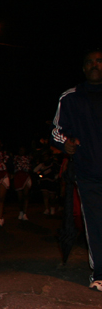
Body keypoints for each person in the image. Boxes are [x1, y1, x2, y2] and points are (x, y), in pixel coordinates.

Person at [52, 48, 102, 291]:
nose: (95, 64)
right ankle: (100, 273)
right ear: (83, 68)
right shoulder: (70, 97)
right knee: (95, 223)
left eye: (100, 61)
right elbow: (56, 131)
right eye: (90, 62)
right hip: (88, 171)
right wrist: (66, 144)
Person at [12, 147, 33, 221]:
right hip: (18, 176)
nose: (22, 151)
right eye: (20, 150)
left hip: (26, 175)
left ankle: (25, 213)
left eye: (23, 149)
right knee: (20, 197)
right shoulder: (15, 158)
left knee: (26, 195)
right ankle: (21, 211)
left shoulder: (28, 158)